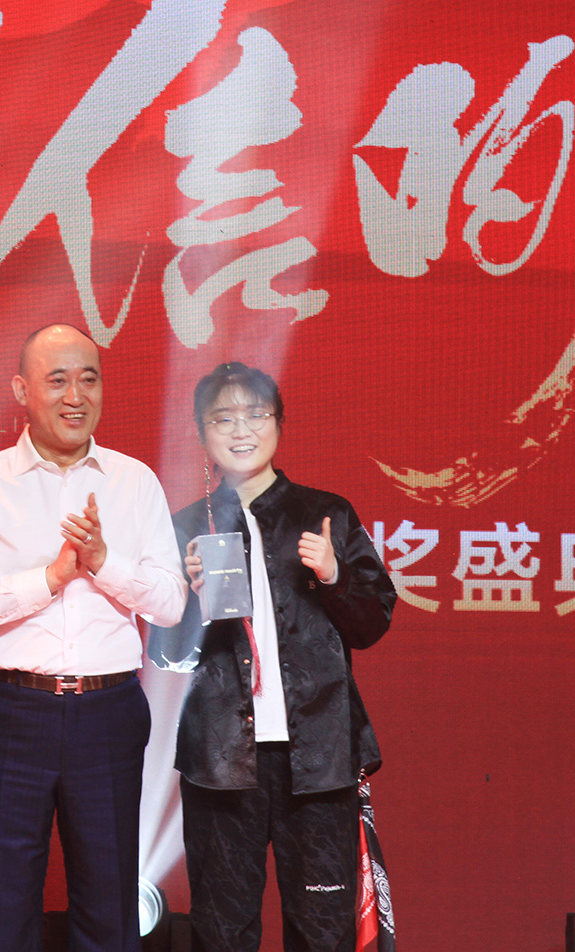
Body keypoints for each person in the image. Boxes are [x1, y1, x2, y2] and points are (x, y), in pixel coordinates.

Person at [0, 323, 187, 952]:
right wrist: (49, 579)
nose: (76, 396)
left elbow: (170, 603)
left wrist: (102, 562)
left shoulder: (134, 481)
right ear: (22, 390)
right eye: (57, 380)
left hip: (108, 711)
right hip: (11, 709)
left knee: (108, 904)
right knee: (3, 902)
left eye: (88, 379)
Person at [172, 362, 395, 952]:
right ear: (201, 432)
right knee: (222, 932)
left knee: (322, 930)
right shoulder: (186, 527)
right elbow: (165, 659)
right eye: (223, 418)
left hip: (318, 760)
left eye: (255, 414)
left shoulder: (326, 513)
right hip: (220, 762)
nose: (240, 429)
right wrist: (186, 599)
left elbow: (373, 622)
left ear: (278, 424)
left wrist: (333, 575)